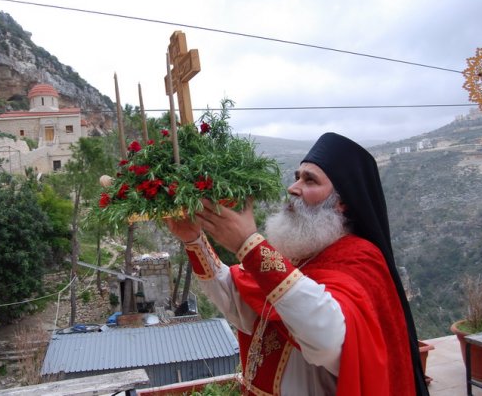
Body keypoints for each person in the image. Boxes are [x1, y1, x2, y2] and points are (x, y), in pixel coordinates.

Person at [166, 132, 429, 395]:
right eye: (297, 177)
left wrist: (250, 246)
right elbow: (242, 308)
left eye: (309, 180)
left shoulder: (362, 259)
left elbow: (326, 339)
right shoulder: (302, 253)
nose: (293, 188)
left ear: (341, 202)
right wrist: (194, 241)